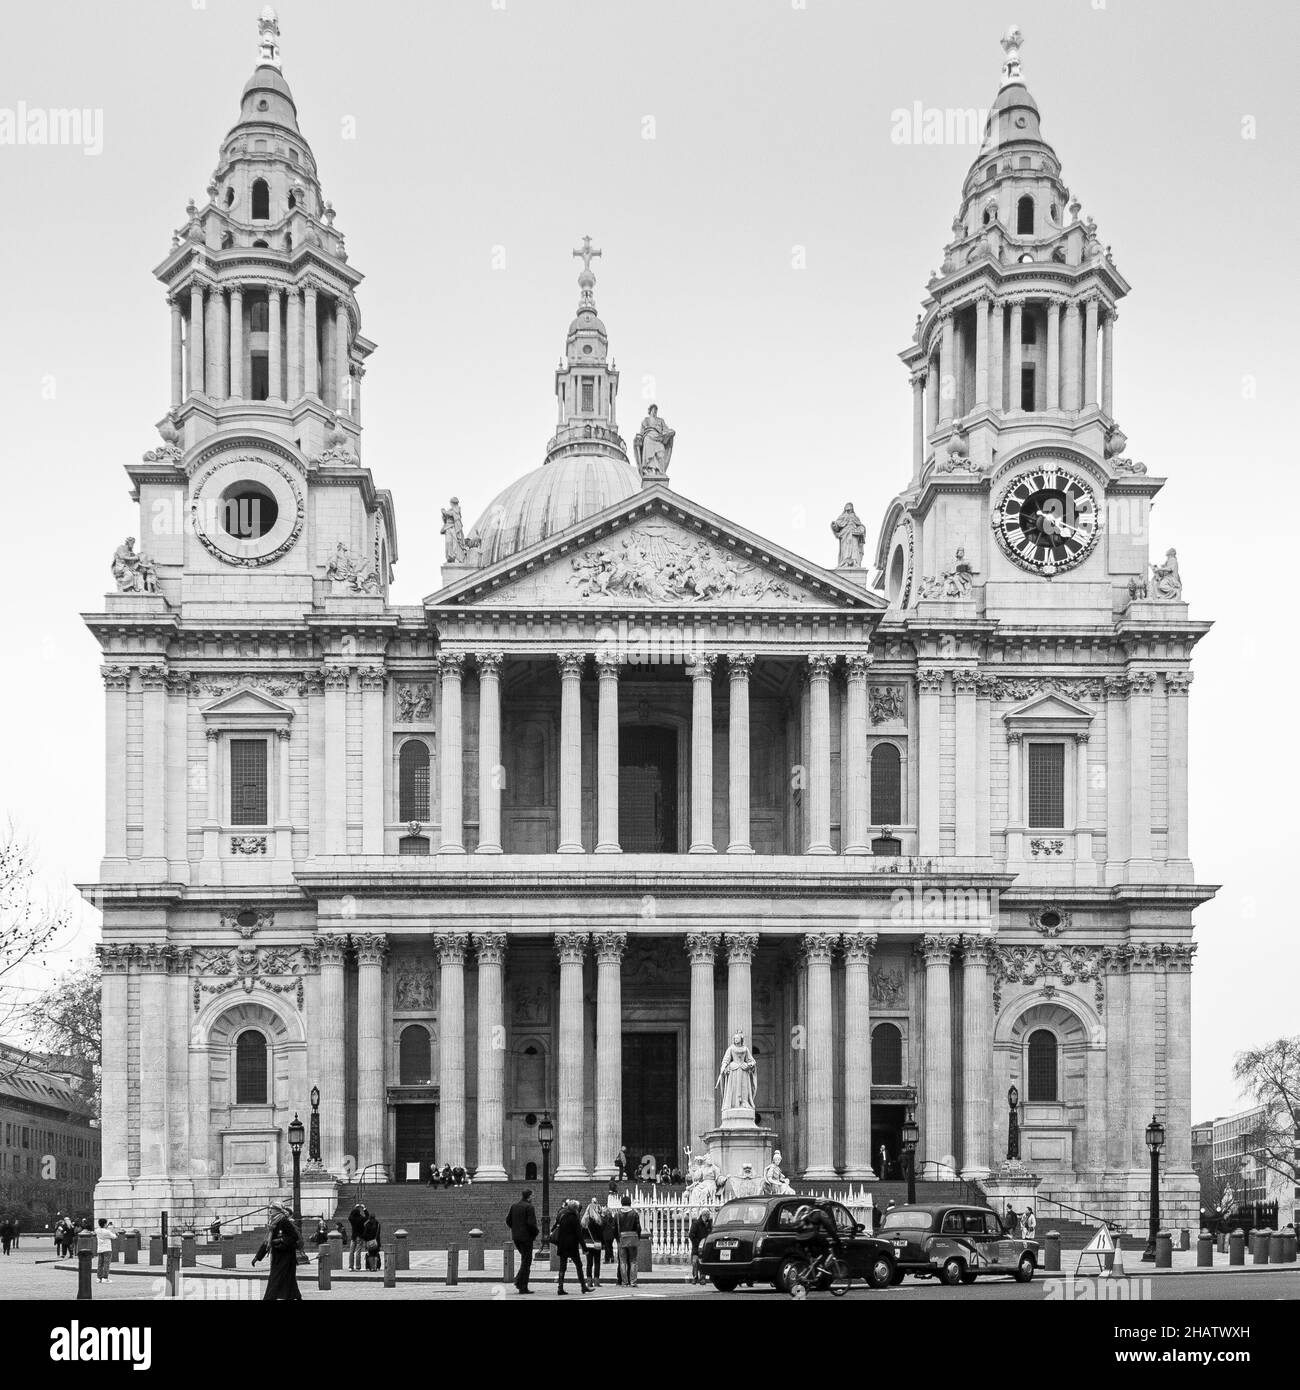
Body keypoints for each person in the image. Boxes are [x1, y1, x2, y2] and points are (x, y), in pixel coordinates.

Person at [252, 1199, 303, 1301]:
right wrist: (258, 1257)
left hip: (286, 1257)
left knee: (275, 1279)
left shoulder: (284, 1221)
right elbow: (267, 1241)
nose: (270, 1211)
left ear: (277, 1210)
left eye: (272, 1209)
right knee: (289, 1279)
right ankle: (296, 1296)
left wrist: (281, 1240)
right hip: (278, 1256)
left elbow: (294, 1237)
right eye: (270, 1209)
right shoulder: (273, 1222)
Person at [551, 1199, 588, 1295]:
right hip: (572, 1246)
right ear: (575, 1209)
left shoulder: (562, 1215)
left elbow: (556, 1227)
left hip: (562, 1244)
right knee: (579, 1265)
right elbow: (579, 1234)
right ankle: (583, 1286)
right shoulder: (574, 1218)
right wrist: (584, 1248)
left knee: (562, 1267)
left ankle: (560, 1287)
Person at [506, 1187, 539, 1295]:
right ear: (529, 1196)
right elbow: (531, 1224)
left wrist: (515, 1229)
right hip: (526, 1238)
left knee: (525, 1259)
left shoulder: (514, 1206)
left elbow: (508, 1221)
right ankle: (521, 1285)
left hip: (516, 1237)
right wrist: (535, 1233)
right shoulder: (529, 1207)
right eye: (532, 1195)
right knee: (527, 1261)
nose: (533, 1197)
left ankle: (520, 1282)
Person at [795, 1202, 841, 1276]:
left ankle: (812, 1274)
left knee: (813, 1256)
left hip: (799, 1237)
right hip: (809, 1235)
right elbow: (829, 1228)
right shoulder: (820, 1213)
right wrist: (837, 1240)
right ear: (824, 1207)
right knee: (826, 1247)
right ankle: (821, 1267)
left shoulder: (809, 1212)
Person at [616, 1193, 642, 1289]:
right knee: (633, 1261)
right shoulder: (634, 1213)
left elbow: (614, 1228)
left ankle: (624, 1282)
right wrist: (637, 1237)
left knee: (623, 1262)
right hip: (632, 1238)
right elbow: (638, 1227)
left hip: (621, 1239)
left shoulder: (618, 1214)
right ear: (630, 1203)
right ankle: (633, 1281)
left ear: (622, 1203)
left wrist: (617, 1238)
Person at [582, 1197, 605, 1287]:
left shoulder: (584, 1221)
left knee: (589, 1263)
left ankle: (589, 1281)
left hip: (587, 1244)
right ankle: (596, 1281)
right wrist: (603, 1244)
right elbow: (601, 1234)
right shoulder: (598, 1221)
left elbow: (582, 1234)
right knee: (597, 1263)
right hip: (596, 1244)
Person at [688, 1210, 713, 1285]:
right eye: (707, 1216)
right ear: (703, 1216)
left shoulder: (709, 1224)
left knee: (702, 1262)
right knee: (695, 1262)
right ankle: (695, 1278)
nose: (708, 1218)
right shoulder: (696, 1223)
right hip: (696, 1246)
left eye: (708, 1217)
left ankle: (702, 1278)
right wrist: (697, 1243)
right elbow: (691, 1235)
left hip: (704, 1246)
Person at [94, 1218, 116, 1283]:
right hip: (107, 1249)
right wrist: (112, 1230)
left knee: (100, 1264)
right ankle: (105, 1278)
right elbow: (114, 1237)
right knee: (106, 1264)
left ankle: (99, 1278)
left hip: (100, 1249)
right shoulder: (107, 1231)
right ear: (104, 1224)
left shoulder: (97, 1230)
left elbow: (101, 1231)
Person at [347, 1201, 367, 1271]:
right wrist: (364, 1208)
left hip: (353, 1236)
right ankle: (358, 1266)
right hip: (360, 1236)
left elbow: (350, 1216)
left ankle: (350, 1266)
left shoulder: (352, 1219)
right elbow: (367, 1216)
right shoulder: (361, 1219)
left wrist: (355, 1207)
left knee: (351, 1252)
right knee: (358, 1252)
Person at [600, 1201, 617, 1277]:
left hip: (606, 1235)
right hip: (611, 1235)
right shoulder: (612, 1218)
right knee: (611, 1246)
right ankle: (612, 1258)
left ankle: (607, 1259)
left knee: (607, 1247)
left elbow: (602, 1226)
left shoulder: (604, 1218)